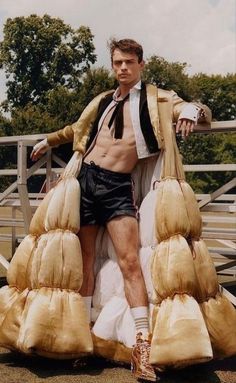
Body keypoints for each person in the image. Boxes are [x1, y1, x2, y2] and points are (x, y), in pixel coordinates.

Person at [30, 38, 210, 382]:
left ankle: (142, 345)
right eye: (117, 63)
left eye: (129, 62)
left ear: (141, 64)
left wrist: (192, 111)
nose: (122, 68)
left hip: (116, 185)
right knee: (84, 260)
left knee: (130, 263)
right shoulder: (101, 101)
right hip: (84, 181)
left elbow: (191, 107)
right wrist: (49, 140)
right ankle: (83, 339)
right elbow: (77, 129)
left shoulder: (157, 97)